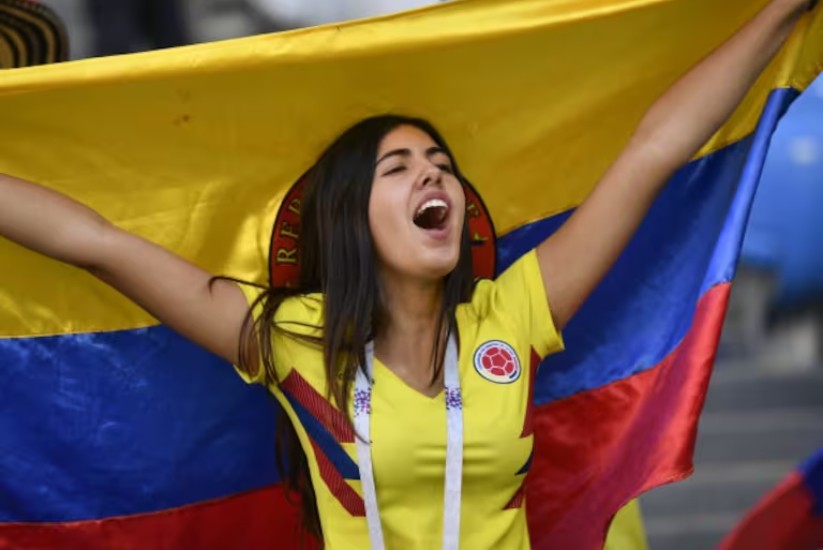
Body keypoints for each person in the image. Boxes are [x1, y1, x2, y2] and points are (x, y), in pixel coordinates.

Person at [0, 0, 817, 547]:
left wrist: (780, 7)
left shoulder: (513, 312)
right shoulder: (290, 338)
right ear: (351, 218)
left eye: (441, 165)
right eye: (398, 168)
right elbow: (96, 242)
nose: (433, 178)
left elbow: (653, 151)